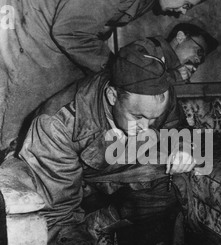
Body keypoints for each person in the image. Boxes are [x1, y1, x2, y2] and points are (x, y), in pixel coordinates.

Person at [14, 43, 197, 245]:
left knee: (173, 182)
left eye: (154, 119)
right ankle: (92, 234)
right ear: (112, 96)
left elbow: (176, 126)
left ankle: (105, 229)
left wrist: (183, 147)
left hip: (115, 165)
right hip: (74, 181)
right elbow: (57, 211)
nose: (147, 129)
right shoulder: (56, 124)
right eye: (139, 117)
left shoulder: (156, 92)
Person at [0, 0, 207, 150]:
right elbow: (69, 31)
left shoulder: (147, 3)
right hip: (32, 36)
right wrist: (120, 69)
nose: (181, 12)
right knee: (20, 135)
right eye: (186, 4)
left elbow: (97, 25)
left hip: (56, 43)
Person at [132, 22, 218, 83]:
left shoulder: (176, 70)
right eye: (199, 52)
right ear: (180, 37)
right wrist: (175, 77)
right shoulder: (148, 47)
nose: (198, 60)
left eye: (201, 59)